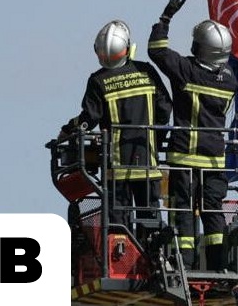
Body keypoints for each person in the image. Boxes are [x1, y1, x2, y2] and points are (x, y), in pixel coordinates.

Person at [148, 0, 237, 270]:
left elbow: (157, 50)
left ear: (200, 48)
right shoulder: (231, 80)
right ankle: (219, 264)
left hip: (184, 156)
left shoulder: (187, 71)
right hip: (214, 160)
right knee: (213, 210)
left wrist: (165, 18)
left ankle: (183, 263)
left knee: (183, 210)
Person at [62, 19, 172, 231]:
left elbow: (88, 119)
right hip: (147, 163)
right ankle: (152, 248)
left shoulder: (98, 80)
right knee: (150, 222)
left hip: (116, 170)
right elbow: (165, 109)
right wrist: (154, 140)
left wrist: (68, 129)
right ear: (127, 47)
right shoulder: (146, 72)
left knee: (117, 227)